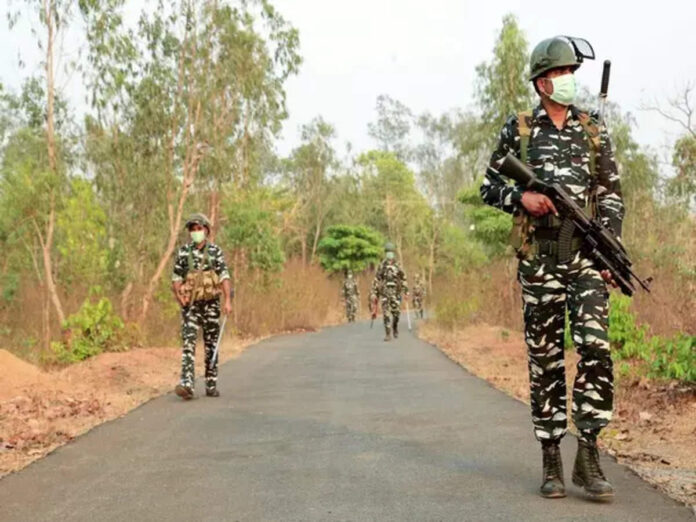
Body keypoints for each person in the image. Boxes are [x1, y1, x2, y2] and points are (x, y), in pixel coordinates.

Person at [480, 36, 623, 500]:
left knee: (596, 350)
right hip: (539, 262)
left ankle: (589, 453)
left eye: (571, 74)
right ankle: (550, 460)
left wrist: (609, 252)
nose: (568, 81)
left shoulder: (593, 129)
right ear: (543, 81)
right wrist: (520, 197)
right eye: (561, 74)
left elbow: (610, 195)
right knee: (545, 363)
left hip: (584, 258)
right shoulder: (519, 128)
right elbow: (489, 183)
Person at [171, 213, 233, 400]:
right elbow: (175, 278)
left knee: (211, 345)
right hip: (191, 306)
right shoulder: (183, 252)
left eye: (199, 228)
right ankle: (187, 384)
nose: (195, 232)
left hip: (211, 305)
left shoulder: (215, 251)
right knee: (189, 344)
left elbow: (224, 277)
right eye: (192, 229)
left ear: (206, 230)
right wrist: (179, 298)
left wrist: (227, 300)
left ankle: (211, 383)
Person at [370, 243, 408, 341]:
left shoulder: (397, 265)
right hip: (385, 293)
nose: (389, 254)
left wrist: (406, 291)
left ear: (393, 253)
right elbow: (377, 279)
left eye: (390, 252)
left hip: (396, 293)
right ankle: (388, 333)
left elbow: (403, 278)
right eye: (387, 252)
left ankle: (395, 327)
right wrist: (374, 293)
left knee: (396, 313)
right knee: (386, 313)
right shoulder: (382, 265)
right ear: (385, 253)